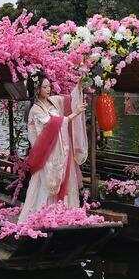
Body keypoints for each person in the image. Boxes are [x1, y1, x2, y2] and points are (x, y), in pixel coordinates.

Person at [19, 77, 87, 222]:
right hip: (47, 154)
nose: (48, 89)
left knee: (66, 179)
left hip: (62, 149)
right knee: (44, 183)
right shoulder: (35, 110)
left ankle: (65, 212)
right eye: (45, 87)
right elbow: (52, 125)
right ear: (38, 89)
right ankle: (43, 215)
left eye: (49, 86)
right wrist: (76, 114)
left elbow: (69, 100)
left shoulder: (53, 101)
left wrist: (79, 85)